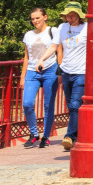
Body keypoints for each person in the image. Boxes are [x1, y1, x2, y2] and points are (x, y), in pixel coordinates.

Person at [39, 2, 87, 150]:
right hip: (66, 71)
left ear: (79, 15)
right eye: (67, 15)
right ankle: (79, 134)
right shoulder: (62, 27)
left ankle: (69, 136)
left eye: (72, 15)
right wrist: (42, 59)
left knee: (74, 106)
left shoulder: (87, 28)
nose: (69, 17)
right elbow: (54, 46)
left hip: (81, 71)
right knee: (71, 106)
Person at [21, 8, 60, 148]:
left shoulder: (53, 31)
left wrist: (60, 72)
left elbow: (58, 50)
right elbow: (26, 57)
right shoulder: (28, 35)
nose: (35, 21)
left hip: (50, 70)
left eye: (37, 18)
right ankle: (34, 133)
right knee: (27, 103)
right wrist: (22, 76)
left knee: (48, 105)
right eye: (32, 19)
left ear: (45, 17)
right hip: (32, 71)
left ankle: (46, 136)